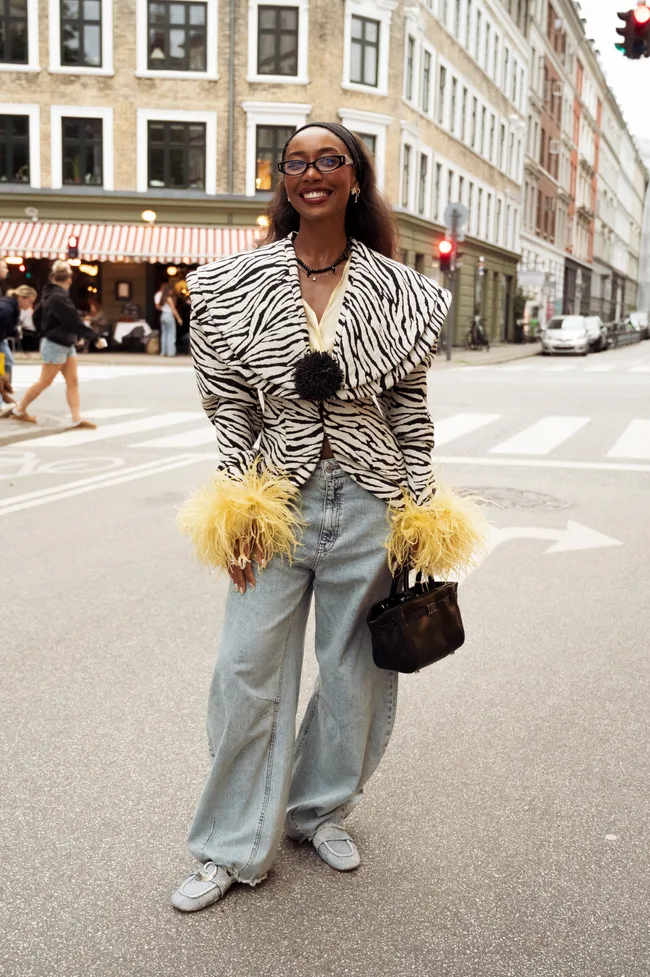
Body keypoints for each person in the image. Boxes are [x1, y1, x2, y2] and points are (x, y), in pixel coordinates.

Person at [171, 122, 487, 913]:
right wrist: (237, 501)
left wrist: (420, 508)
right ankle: (230, 843)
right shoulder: (232, 285)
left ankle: (318, 811)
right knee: (244, 672)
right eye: (297, 162)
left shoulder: (403, 292)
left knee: (355, 678)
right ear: (283, 181)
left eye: (330, 160)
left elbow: (410, 411)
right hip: (275, 503)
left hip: (369, 502)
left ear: (355, 178)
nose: (312, 173)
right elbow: (232, 409)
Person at [8, 259, 106, 426]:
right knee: (45, 381)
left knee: (72, 381)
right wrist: (94, 337)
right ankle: (19, 409)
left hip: (62, 343)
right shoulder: (59, 298)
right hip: (56, 343)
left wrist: (43, 332)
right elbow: (73, 321)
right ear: (68, 280)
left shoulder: (49, 294)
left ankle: (76, 419)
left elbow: (36, 316)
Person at [0, 285, 37, 413]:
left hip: (1, 339)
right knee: (4, 365)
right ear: (22, 298)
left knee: (7, 362)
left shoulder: (12, 307)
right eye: (30, 302)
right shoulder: (7, 309)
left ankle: (4, 393)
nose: (30, 305)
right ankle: (2, 397)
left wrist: (15, 332)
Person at [155, 283, 182, 356]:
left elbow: (159, 307)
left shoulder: (162, 299)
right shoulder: (169, 299)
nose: (172, 292)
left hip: (163, 316)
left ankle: (163, 352)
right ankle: (171, 352)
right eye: (171, 290)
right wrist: (179, 319)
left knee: (164, 335)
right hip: (169, 316)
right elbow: (173, 310)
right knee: (171, 335)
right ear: (168, 290)